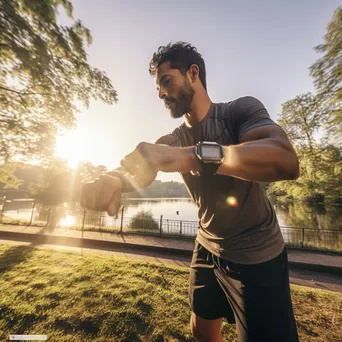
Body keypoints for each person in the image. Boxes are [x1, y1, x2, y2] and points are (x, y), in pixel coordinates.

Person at [81, 42, 300, 342]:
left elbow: (285, 160)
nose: (160, 94)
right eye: (158, 88)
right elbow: (146, 163)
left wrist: (192, 157)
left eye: (166, 82)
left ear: (193, 73)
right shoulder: (175, 137)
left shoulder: (239, 112)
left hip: (258, 254)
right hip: (207, 247)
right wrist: (115, 179)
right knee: (201, 330)